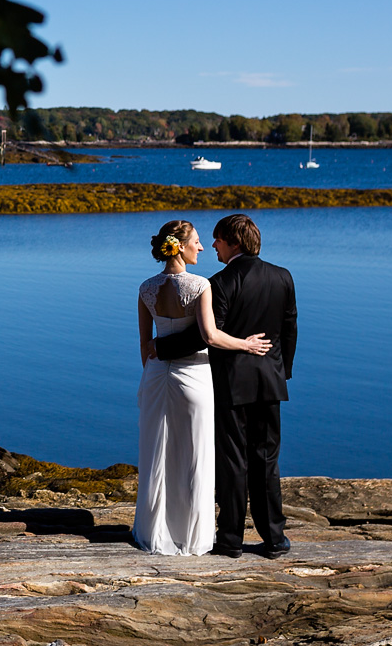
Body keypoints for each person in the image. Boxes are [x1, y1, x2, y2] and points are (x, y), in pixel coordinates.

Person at [153, 213, 297, 559]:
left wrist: (161, 347)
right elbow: (289, 330)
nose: (212, 245)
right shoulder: (282, 277)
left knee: (232, 461)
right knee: (267, 460)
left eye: (217, 239)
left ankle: (231, 539)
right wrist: (282, 372)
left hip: (230, 384)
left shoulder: (219, 282)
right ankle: (275, 538)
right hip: (270, 383)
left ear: (233, 242)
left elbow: (206, 336)